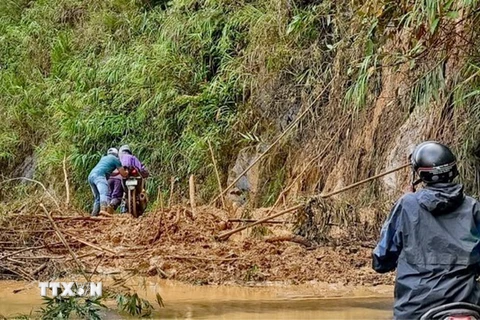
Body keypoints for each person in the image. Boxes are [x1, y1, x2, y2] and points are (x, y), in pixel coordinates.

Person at [372, 141, 480, 319]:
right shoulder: (474, 207)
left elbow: (381, 261)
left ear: (421, 175)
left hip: (415, 309)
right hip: (468, 306)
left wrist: (406, 203)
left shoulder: (407, 205)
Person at [88, 148, 128, 216]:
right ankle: (103, 210)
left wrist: (117, 173)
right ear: (116, 154)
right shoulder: (116, 160)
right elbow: (123, 174)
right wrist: (126, 172)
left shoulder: (103, 158)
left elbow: (109, 172)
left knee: (98, 197)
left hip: (91, 176)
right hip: (100, 176)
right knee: (104, 193)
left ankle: (93, 215)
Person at [108, 145, 149, 211]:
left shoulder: (118, 159)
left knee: (116, 194)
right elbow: (141, 168)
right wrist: (145, 172)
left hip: (123, 178)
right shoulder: (133, 157)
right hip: (135, 177)